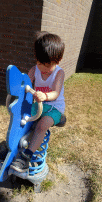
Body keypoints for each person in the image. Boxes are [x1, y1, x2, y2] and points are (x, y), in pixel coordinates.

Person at [10, 31, 65, 173]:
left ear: (57, 61)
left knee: (41, 125)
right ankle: (10, 148)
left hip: (54, 107)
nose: (42, 69)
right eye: (39, 63)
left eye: (47, 65)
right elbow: (25, 84)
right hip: (38, 105)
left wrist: (45, 96)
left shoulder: (59, 73)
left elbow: (56, 93)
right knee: (23, 119)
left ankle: (26, 157)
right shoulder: (34, 70)